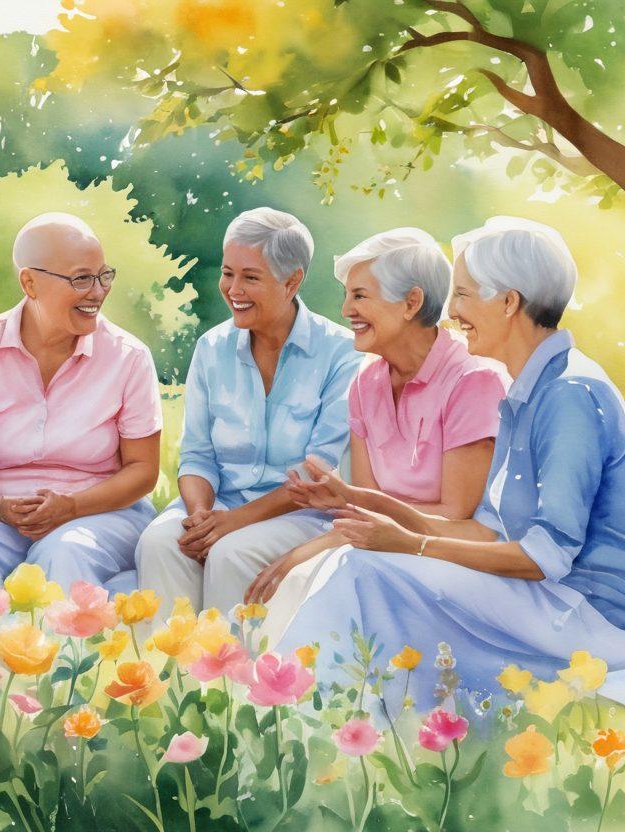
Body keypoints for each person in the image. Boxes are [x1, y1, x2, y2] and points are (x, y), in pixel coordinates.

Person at [276, 217, 625, 704]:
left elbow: (545, 557)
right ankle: (337, 725)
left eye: (463, 295)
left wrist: (412, 544)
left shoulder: (569, 395)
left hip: (586, 615)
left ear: (509, 302)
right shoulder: (526, 390)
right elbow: (485, 530)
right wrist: (361, 500)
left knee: (365, 569)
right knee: (371, 568)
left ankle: (289, 713)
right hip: (543, 601)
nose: (452, 311)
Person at [246, 229, 508, 644]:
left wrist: (321, 541)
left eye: (360, 295)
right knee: (280, 578)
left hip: (447, 551)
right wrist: (342, 503)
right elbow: (366, 500)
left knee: (305, 581)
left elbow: (455, 514)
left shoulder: (474, 380)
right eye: (348, 295)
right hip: (381, 538)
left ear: (412, 303)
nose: (345, 308)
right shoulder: (366, 381)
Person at [0, 212, 161, 593]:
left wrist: (73, 506)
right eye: (81, 278)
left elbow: (143, 470)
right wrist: (1, 507)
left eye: (104, 275)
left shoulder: (129, 356)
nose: (97, 291)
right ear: (30, 282)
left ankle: (67, 655)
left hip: (97, 511)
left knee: (65, 552)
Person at [135, 207, 361, 618]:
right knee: (159, 543)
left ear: (292, 281)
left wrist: (233, 523)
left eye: (250, 277)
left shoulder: (342, 355)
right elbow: (197, 455)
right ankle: (169, 674)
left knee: (230, 553)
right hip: (218, 504)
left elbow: (317, 472)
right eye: (228, 273)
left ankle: (230, 679)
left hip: (302, 515)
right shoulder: (211, 348)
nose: (233, 288)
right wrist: (202, 516)